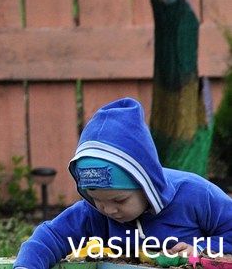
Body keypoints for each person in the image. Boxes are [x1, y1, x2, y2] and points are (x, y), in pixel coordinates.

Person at [14, 97, 232, 269]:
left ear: (146, 184)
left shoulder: (195, 194)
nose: (108, 209)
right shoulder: (94, 213)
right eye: (96, 198)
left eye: (119, 199)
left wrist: (202, 249)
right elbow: (51, 236)